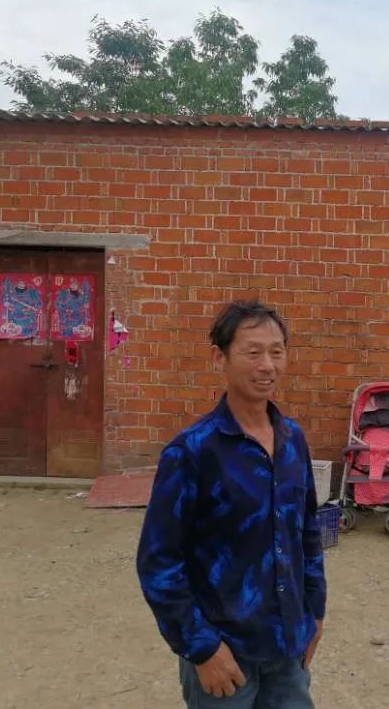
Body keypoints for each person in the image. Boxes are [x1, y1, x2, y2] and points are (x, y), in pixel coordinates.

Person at [137, 300, 325, 708]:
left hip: (287, 648)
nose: (267, 365)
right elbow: (158, 562)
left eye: (276, 352)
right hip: (225, 655)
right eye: (252, 352)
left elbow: (308, 532)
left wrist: (315, 613)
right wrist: (201, 647)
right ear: (219, 358)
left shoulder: (292, 440)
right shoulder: (192, 452)